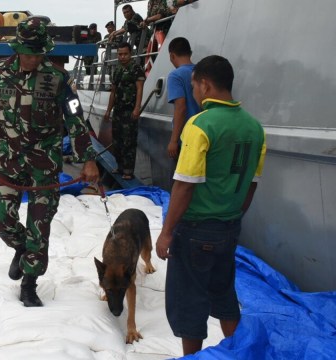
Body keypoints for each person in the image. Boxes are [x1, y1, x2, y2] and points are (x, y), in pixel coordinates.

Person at [0, 17, 100, 308]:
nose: (31, 58)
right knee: (1, 217)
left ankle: (29, 284)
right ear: (17, 49)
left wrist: (88, 161)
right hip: (9, 162)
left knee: (39, 225)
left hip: (45, 164)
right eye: (27, 52)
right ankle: (21, 247)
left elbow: (75, 120)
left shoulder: (60, 80)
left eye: (37, 53)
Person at [155, 55, 267, 356]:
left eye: (193, 86)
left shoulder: (200, 124)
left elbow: (184, 184)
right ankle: (239, 351)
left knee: (189, 303)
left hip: (195, 231)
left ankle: (192, 356)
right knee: (224, 294)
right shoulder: (255, 128)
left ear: (204, 84)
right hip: (229, 227)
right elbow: (251, 185)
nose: (193, 93)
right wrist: (231, 217)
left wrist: (167, 232)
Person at [103, 42, 145, 180]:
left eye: (125, 54)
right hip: (118, 110)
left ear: (130, 54)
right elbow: (113, 92)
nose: (122, 57)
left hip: (129, 110)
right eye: (120, 54)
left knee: (129, 141)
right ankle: (120, 167)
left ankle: (128, 171)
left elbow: (139, 89)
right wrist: (108, 111)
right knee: (117, 140)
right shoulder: (118, 70)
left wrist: (137, 108)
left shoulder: (136, 69)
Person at [166, 37, 200, 160]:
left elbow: (181, 107)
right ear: (190, 53)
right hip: (203, 135)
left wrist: (174, 141)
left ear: (172, 56)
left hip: (186, 137)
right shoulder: (202, 71)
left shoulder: (175, 75)